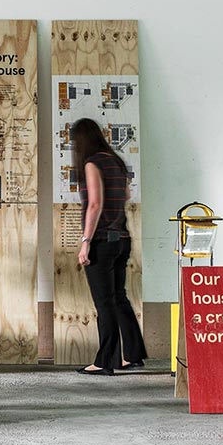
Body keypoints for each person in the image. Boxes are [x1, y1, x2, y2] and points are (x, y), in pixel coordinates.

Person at [71, 118, 148, 376]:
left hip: (102, 241)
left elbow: (95, 204)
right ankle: (132, 355)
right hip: (122, 239)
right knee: (118, 298)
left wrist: (86, 242)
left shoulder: (92, 163)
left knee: (104, 303)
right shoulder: (115, 161)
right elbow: (125, 195)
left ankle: (105, 361)